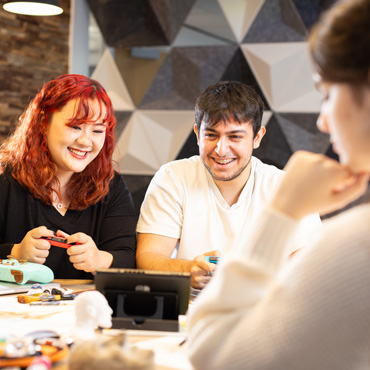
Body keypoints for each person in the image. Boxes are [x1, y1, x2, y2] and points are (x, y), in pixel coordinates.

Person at [187, 0, 370, 368]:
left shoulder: (359, 246)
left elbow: (214, 354)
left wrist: (281, 212)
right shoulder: (174, 176)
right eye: (212, 134)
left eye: (327, 93)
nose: (322, 121)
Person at [136, 81, 321, 289]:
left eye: (235, 136)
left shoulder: (285, 187)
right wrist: (188, 270)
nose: (221, 149)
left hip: (261, 312)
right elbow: (148, 257)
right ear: (197, 134)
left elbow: (309, 271)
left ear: (257, 137)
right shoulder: (173, 177)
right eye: (211, 135)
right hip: (189, 310)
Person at [0, 74, 137, 279]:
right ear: (43, 122)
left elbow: (128, 257)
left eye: (98, 131)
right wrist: (15, 253)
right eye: (75, 126)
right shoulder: (5, 178)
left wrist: (98, 259)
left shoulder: (112, 186)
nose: (86, 141)